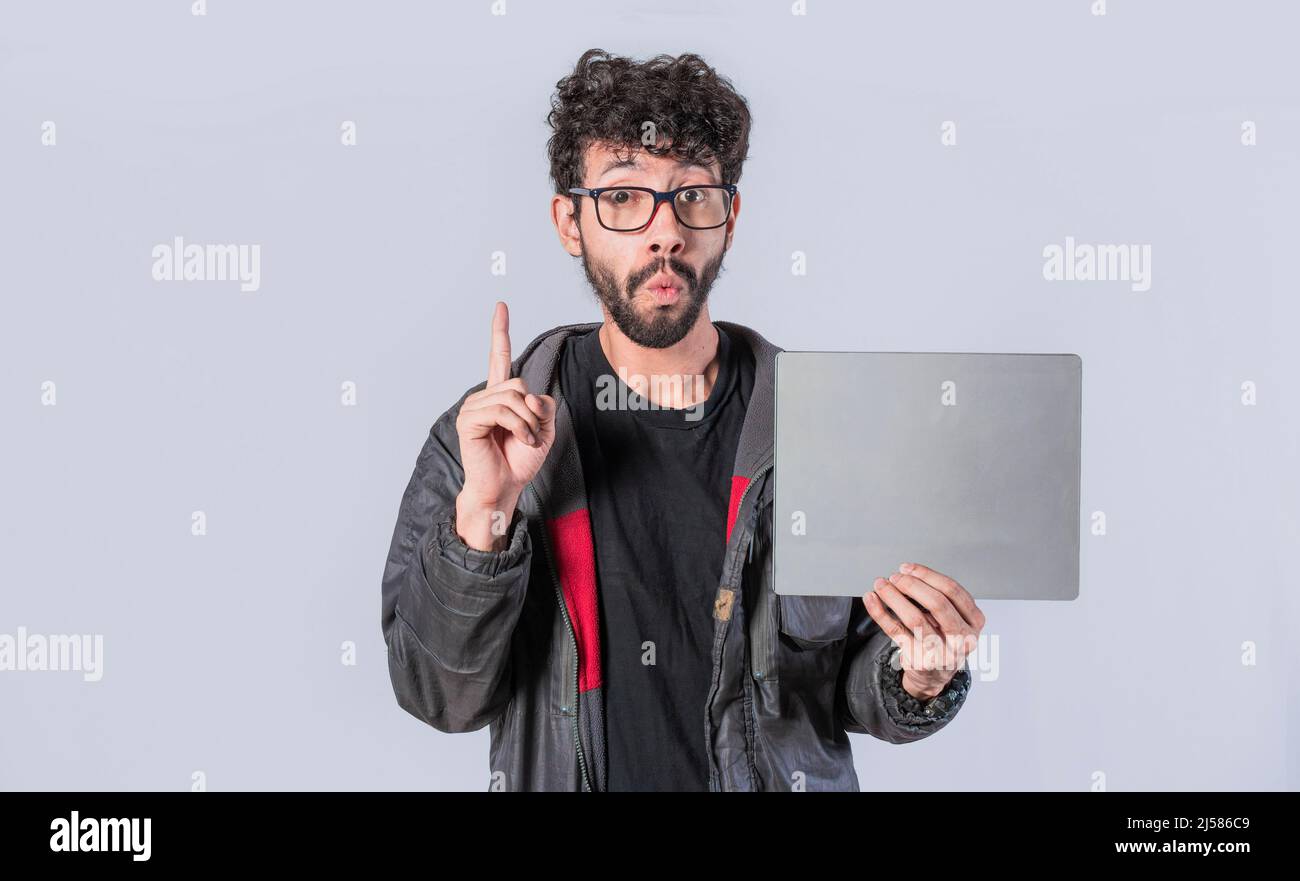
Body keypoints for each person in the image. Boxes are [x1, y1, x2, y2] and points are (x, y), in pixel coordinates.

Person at [380, 49, 984, 792]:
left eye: (692, 195)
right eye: (624, 197)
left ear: (729, 218)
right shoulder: (484, 441)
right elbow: (438, 693)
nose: (663, 231)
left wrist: (918, 674)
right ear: (569, 221)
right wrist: (484, 518)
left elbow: (851, 687)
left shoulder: (822, 425)